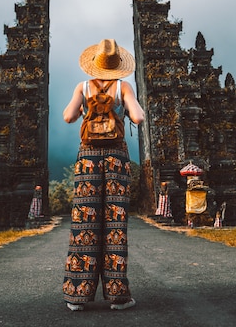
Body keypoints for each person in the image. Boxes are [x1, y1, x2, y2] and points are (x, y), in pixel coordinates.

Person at [62, 38, 144, 311]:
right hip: (116, 159)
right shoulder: (123, 87)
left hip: (87, 158)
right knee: (114, 227)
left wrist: (86, 110)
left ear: (94, 64)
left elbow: (67, 117)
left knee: (83, 225)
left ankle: (77, 296)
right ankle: (118, 296)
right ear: (117, 65)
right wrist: (128, 109)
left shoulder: (82, 87)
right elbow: (139, 118)